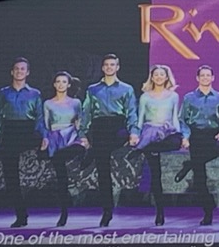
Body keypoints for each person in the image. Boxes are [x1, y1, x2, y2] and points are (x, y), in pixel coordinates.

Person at [78, 54, 139, 227]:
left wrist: (134, 132)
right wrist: (82, 133)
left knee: (112, 142)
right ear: (103, 67)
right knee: (103, 170)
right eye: (107, 65)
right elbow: (86, 112)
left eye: (113, 64)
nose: (109, 67)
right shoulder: (93, 89)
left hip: (118, 125)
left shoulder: (126, 89)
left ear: (117, 67)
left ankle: (94, 152)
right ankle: (107, 210)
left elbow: (131, 112)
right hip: (99, 126)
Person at [0, 58, 43, 227]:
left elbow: (40, 117)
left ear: (27, 72)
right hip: (10, 132)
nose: (19, 71)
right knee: (10, 175)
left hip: (28, 131)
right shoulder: (3, 93)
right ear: (12, 72)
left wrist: (42, 136)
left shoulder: (35, 94)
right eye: (17, 68)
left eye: (23, 69)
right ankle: (21, 214)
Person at [178, 65, 219, 225]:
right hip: (196, 136)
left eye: (208, 75)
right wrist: (186, 137)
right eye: (203, 75)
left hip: (213, 135)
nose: (206, 78)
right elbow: (183, 120)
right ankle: (208, 210)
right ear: (197, 78)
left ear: (213, 78)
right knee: (200, 178)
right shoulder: (189, 98)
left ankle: (189, 164)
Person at [132, 65, 183, 226]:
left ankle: (145, 148)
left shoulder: (173, 96)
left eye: (162, 74)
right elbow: (140, 119)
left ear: (167, 77)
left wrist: (180, 135)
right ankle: (160, 211)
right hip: (150, 132)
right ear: (152, 77)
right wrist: (135, 134)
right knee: (156, 175)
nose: (159, 77)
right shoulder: (145, 97)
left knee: (172, 142)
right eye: (156, 74)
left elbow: (175, 117)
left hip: (167, 132)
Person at [39, 71, 84, 227]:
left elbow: (81, 122)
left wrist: (82, 135)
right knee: (61, 175)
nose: (60, 84)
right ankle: (64, 211)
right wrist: (45, 139)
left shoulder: (76, 102)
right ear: (54, 84)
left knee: (72, 155)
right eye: (58, 81)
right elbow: (45, 125)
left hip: (72, 137)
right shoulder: (48, 103)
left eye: (64, 81)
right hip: (55, 138)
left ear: (69, 84)